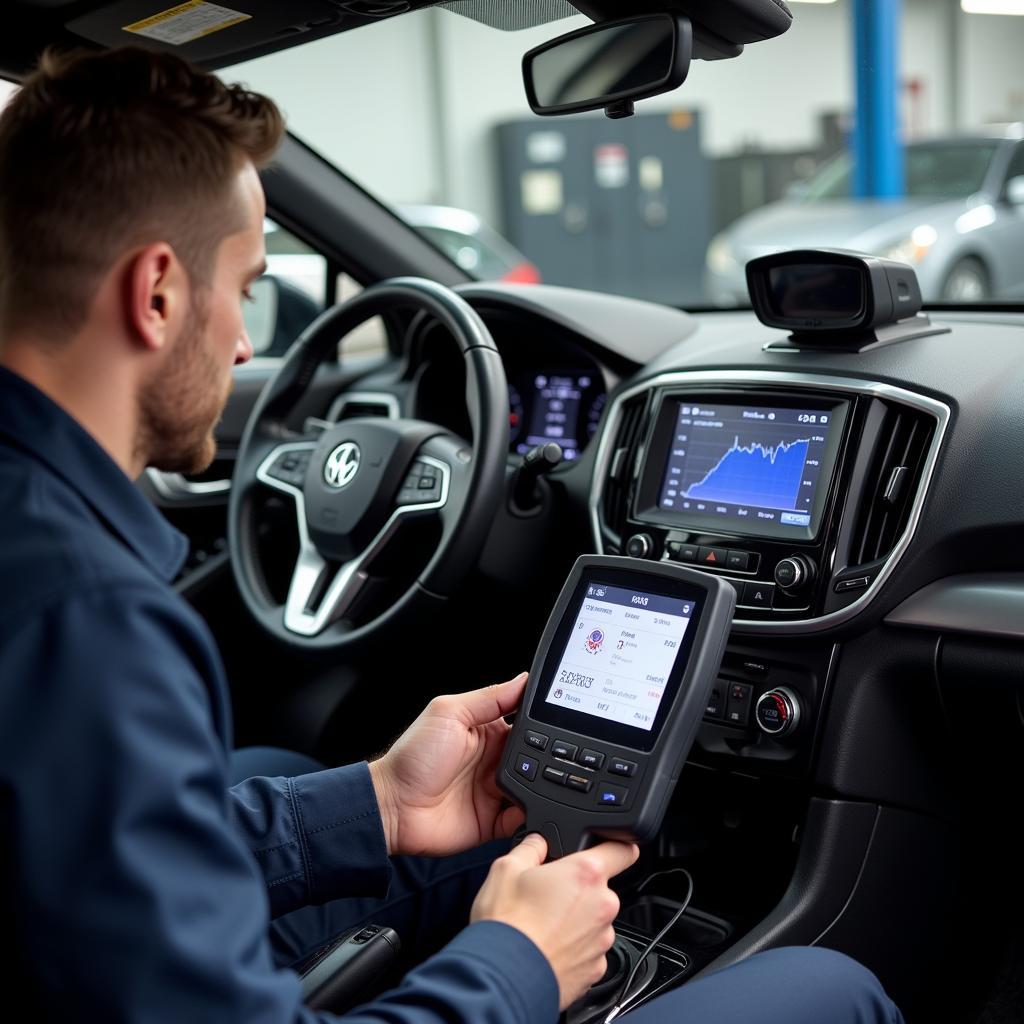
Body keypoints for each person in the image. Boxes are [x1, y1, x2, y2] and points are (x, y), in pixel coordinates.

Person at [0, 46, 903, 1024]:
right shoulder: (88, 625)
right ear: (160, 291)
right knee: (836, 988)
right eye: (248, 287)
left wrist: (383, 801)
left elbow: (94, 850)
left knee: (389, 810)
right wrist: (516, 961)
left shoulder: (37, 542)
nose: (247, 342)